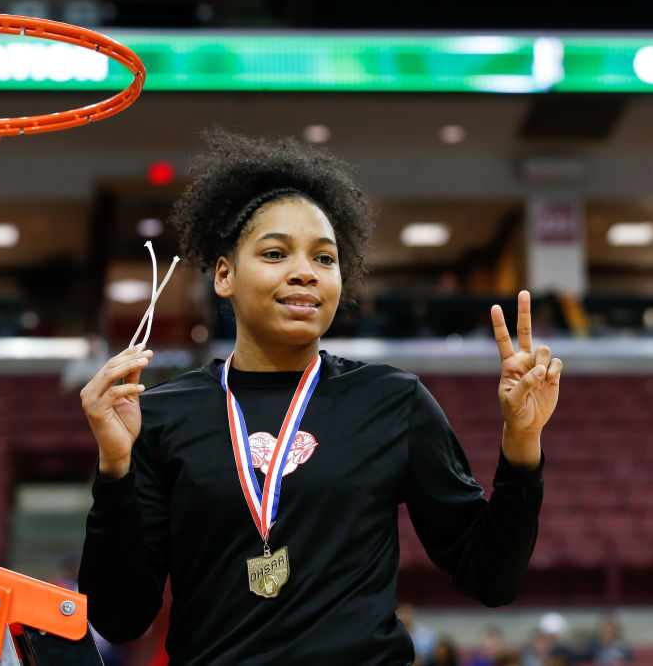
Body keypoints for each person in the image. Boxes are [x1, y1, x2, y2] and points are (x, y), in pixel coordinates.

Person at [78, 129, 561, 665]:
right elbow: (119, 618)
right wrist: (115, 469)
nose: (305, 272)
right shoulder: (163, 417)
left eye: (325, 259)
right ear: (224, 275)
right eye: (276, 252)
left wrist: (522, 445)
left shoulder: (392, 402)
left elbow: (490, 577)